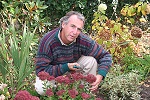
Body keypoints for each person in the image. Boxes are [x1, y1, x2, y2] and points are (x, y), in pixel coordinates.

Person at [35, 11, 112, 95]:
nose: (75, 32)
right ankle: (59, 92)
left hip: (73, 70)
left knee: (91, 61)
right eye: (72, 26)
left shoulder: (82, 40)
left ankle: (86, 93)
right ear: (63, 24)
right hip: (54, 74)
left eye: (79, 29)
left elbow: (106, 56)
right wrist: (65, 67)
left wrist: (100, 75)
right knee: (42, 88)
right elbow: (41, 70)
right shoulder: (48, 41)